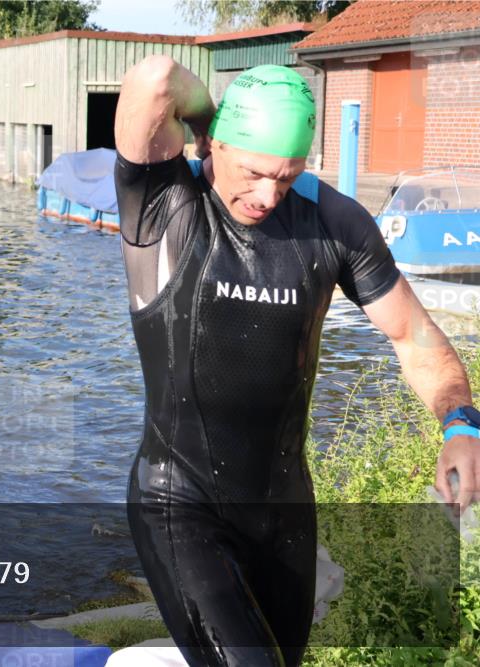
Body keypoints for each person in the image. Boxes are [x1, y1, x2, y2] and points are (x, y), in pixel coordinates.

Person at [114, 59, 479, 667]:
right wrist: (211, 117)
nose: (266, 196)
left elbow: (414, 337)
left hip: (283, 514)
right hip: (179, 501)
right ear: (216, 145)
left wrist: (461, 424)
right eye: (254, 172)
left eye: (286, 178)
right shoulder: (164, 203)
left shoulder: (335, 223)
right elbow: (153, 79)